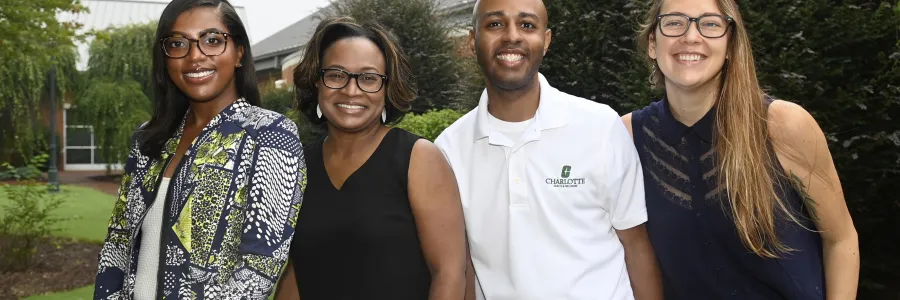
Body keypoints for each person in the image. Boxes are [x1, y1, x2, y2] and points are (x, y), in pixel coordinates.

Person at [621, 0, 860, 299]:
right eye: (673, 23)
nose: (691, 36)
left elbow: (840, 240)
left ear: (732, 45)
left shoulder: (782, 126)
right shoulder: (626, 137)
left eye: (710, 24)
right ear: (652, 44)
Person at [433, 0, 663, 299]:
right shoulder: (449, 150)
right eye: (494, 24)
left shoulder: (600, 126)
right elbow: (461, 268)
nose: (512, 36)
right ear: (472, 40)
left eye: (527, 25)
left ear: (546, 40)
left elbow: (636, 245)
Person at [93, 0, 306, 299]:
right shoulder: (148, 139)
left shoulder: (271, 134)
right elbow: (118, 240)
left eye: (212, 40)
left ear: (239, 52)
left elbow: (260, 265)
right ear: (165, 57)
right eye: (178, 43)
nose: (195, 56)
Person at [273, 17, 468, 300]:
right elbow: (298, 273)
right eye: (337, 75)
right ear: (317, 83)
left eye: (368, 78)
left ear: (388, 88)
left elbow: (449, 273)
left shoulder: (418, 159)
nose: (351, 91)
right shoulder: (298, 167)